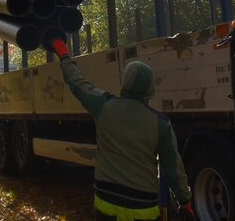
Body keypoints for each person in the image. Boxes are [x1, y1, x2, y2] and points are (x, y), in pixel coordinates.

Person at [49, 37, 195, 221]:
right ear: (150, 89)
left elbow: (77, 82)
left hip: (107, 204)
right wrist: (184, 201)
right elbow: (173, 168)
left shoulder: (103, 106)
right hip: (144, 209)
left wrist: (63, 53)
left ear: (124, 82)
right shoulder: (161, 123)